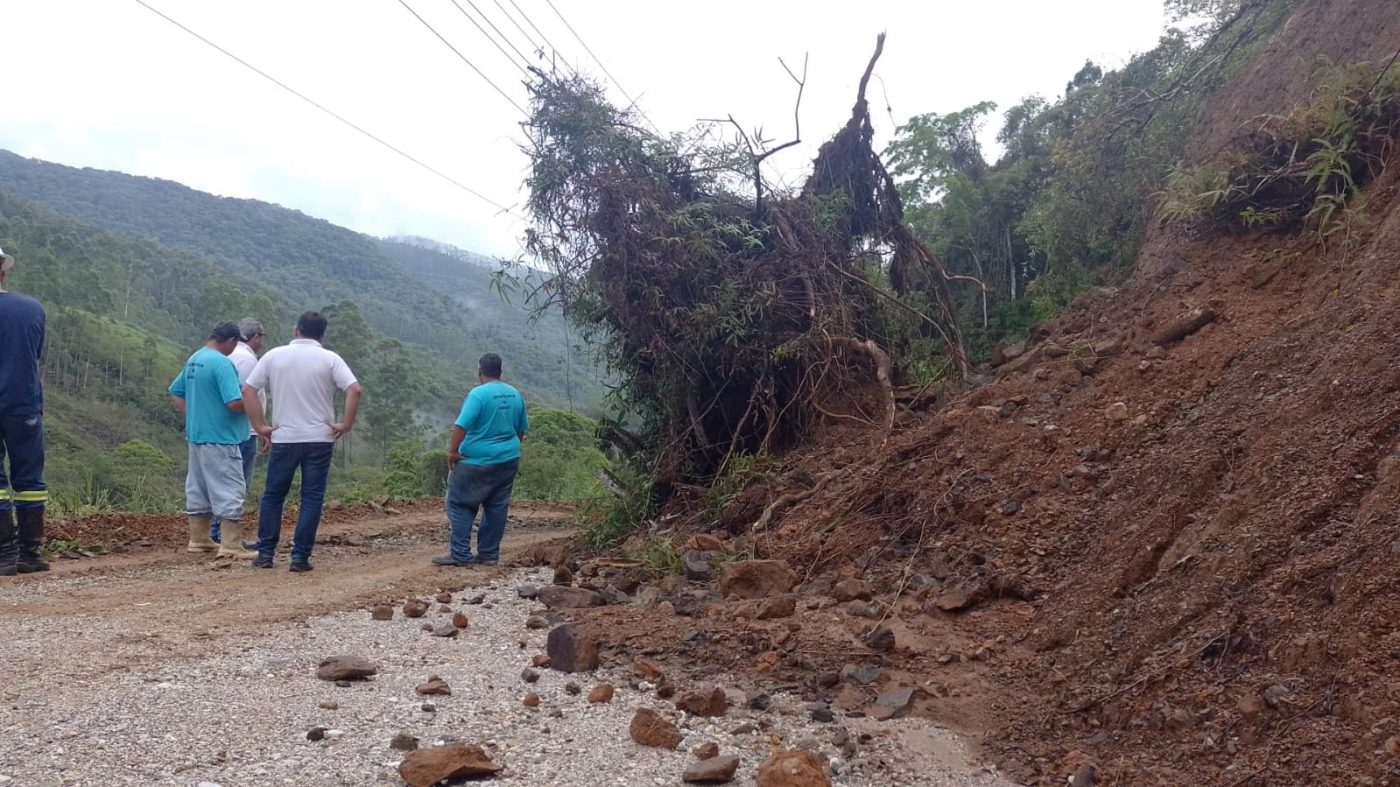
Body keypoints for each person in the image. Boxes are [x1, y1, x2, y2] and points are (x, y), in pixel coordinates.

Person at [243, 311, 360, 572]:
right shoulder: (330, 358)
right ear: (322, 334)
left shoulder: (274, 356)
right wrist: (346, 424)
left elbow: (248, 390)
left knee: (273, 496)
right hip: (320, 438)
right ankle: (300, 557)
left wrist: (260, 426)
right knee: (311, 497)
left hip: (284, 437)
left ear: (296, 330)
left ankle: (265, 555)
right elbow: (354, 389)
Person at [433, 353, 528, 568]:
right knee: (497, 507)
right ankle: (488, 555)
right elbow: (520, 430)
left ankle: (460, 554)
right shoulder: (515, 394)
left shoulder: (478, 395)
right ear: (500, 372)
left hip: (475, 462)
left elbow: (461, 425)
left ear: (480, 371)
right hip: (507, 460)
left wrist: (453, 452)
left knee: (458, 504)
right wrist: (510, 450)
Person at [169, 321, 254, 559]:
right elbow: (234, 402)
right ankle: (231, 545)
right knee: (229, 487)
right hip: (221, 437)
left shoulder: (195, 358)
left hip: (197, 435)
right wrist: (253, 402)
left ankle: (199, 539)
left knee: (198, 487)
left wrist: (194, 414)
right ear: (230, 341)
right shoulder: (222, 363)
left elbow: (176, 392)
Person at [0, 247, 50, 576]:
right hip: (24, 403)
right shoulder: (32, 309)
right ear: (4, 271)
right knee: (30, 479)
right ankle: (29, 555)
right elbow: (38, 354)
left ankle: (3, 556)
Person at [209, 318, 266, 548]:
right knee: (238, 483)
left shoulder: (225, 357)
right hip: (244, 430)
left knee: (222, 480)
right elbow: (246, 397)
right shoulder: (249, 361)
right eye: (261, 337)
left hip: (222, 429)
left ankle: (215, 531)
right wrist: (262, 427)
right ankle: (224, 534)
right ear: (254, 337)